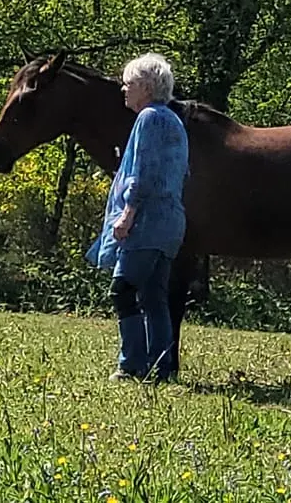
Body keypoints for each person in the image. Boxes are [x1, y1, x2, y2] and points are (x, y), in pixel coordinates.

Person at [86, 52, 190, 381]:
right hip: (171, 222)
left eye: (128, 84)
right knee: (153, 295)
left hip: (148, 222)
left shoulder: (149, 119)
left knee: (123, 289)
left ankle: (131, 365)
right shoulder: (174, 120)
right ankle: (163, 368)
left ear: (146, 86)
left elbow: (144, 173)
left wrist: (127, 214)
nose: (123, 90)